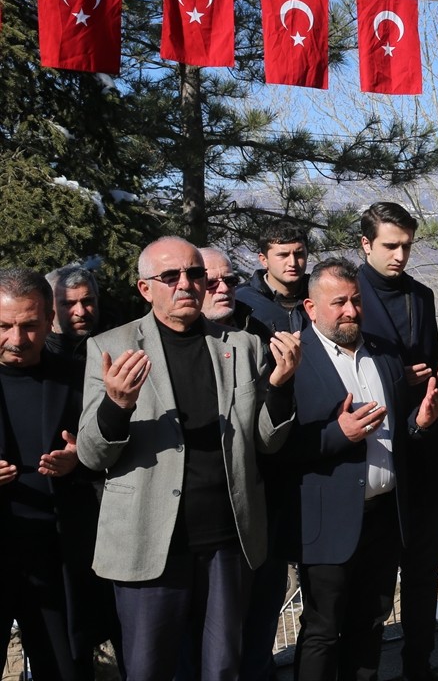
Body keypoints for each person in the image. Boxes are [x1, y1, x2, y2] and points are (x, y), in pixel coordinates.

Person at [75, 237, 300, 680]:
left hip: (226, 539)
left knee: (222, 667)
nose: (187, 284)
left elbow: (267, 442)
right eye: (171, 276)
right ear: (145, 289)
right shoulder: (112, 346)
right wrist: (116, 405)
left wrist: (280, 386)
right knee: (149, 668)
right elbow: (91, 452)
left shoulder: (240, 345)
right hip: (150, 540)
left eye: (196, 274)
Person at [282, 257, 438, 680]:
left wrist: (420, 424)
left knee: (371, 622)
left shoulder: (385, 355)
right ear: (310, 308)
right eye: (338, 302)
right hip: (328, 521)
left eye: (355, 300)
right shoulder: (293, 361)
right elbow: (277, 448)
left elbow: (399, 435)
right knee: (322, 629)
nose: (350, 310)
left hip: (385, 518)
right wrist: (339, 434)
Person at [356, 201, 438, 681]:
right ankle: (367, 670)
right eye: (390, 246)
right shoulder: (349, 296)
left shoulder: (422, 294)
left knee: (424, 574)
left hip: (426, 453)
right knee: (373, 588)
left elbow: (428, 356)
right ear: (366, 244)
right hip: (376, 452)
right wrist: (398, 377)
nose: (400, 255)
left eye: (406, 246)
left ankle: (420, 666)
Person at [0, 268, 99, 680]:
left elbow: (113, 453)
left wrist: (81, 458)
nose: (16, 340)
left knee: (63, 668)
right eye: (4, 327)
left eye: (29, 326)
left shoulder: (78, 378)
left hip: (57, 553)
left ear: (49, 321)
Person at [199, 246, 285, 681]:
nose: (222, 289)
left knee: (260, 621)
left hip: (263, 506)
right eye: (210, 281)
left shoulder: (260, 334)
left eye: (229, 280)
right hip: (206, 521)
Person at [235, 219, 311, 333]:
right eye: (283, 255)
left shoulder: (321, 296)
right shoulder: (242, 300)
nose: (292, 263)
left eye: (299, 254)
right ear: (264, 260)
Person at [45, 265, 102, 361]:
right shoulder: (36, 355)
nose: (81, 312)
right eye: (68, 304)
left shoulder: (115, 347)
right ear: (49, 307)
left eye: (87, 301)